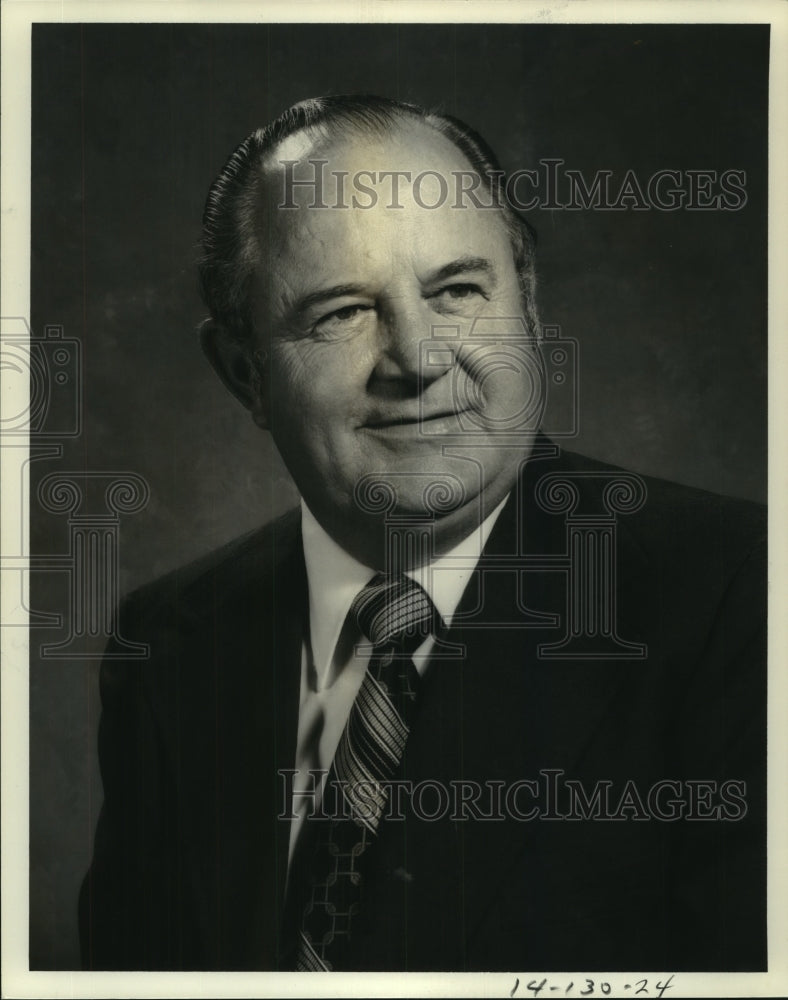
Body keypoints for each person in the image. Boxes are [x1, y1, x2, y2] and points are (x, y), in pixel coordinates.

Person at [78, 95, 766, 972]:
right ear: (245, 372)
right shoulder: (171, 643)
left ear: (529, 307)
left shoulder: (737, 597)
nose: (420, 357)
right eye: (340, 312)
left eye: (456, 290)